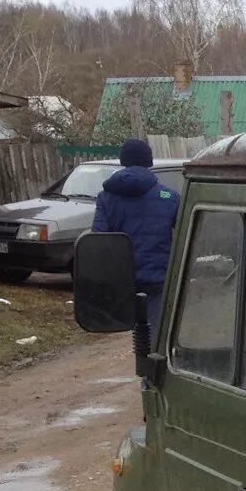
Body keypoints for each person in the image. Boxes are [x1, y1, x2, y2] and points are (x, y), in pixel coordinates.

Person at [92, 138, 181, 343]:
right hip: (159, 278)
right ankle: (151, 360)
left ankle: (142, 357)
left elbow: (99, 239)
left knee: (135, 331)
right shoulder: (169, 197)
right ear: (149, 162)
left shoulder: (106, 197)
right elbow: (184, 235)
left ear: (123, 161)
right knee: (156, 335)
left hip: (123, 278)